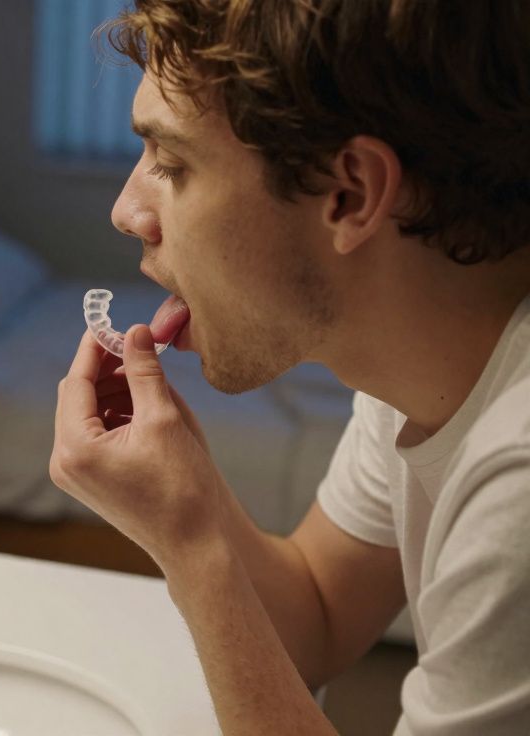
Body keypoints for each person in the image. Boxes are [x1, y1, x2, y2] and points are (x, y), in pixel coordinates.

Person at [49, 1, 530, 733]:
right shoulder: (417, 365)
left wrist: (193, 547)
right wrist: (190, 502)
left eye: (171, 164)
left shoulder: (519, 482)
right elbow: (318, 616)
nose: (127, 210)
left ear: (352, 194)